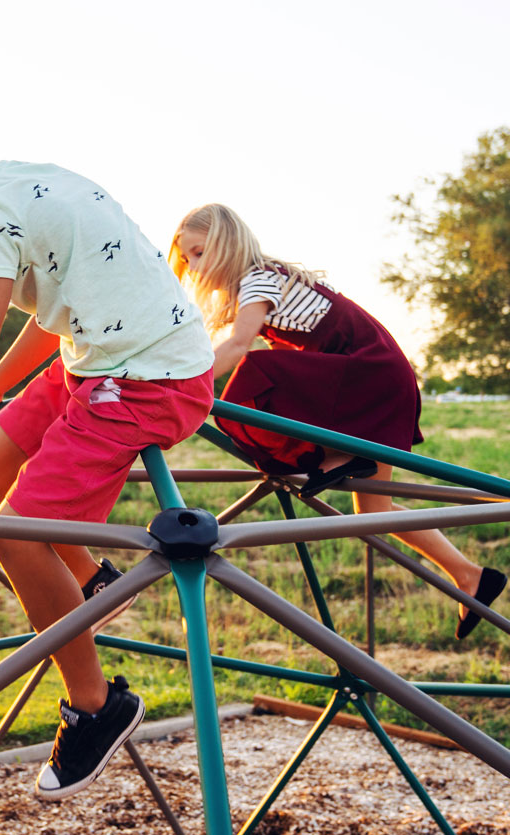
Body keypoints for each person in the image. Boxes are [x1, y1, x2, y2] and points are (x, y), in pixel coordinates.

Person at [0, 97, 215, 800]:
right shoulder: (28, 182)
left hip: (146, 379)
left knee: (17, 539)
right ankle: (91, 581)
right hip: (106, 354)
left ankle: (95, 705)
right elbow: (60, 316)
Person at [170, 203, 506, 639]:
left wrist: (181, 386)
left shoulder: (259, 278)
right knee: (373, 510)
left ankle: (325, 454)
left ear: (225, 243)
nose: (194, 267)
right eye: (188, 259)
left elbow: (238, 344)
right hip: (375, 378)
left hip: (369, 377)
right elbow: (296, 359)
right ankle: (471, 576)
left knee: (254, 372)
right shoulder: (268, 281)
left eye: (199, 253)